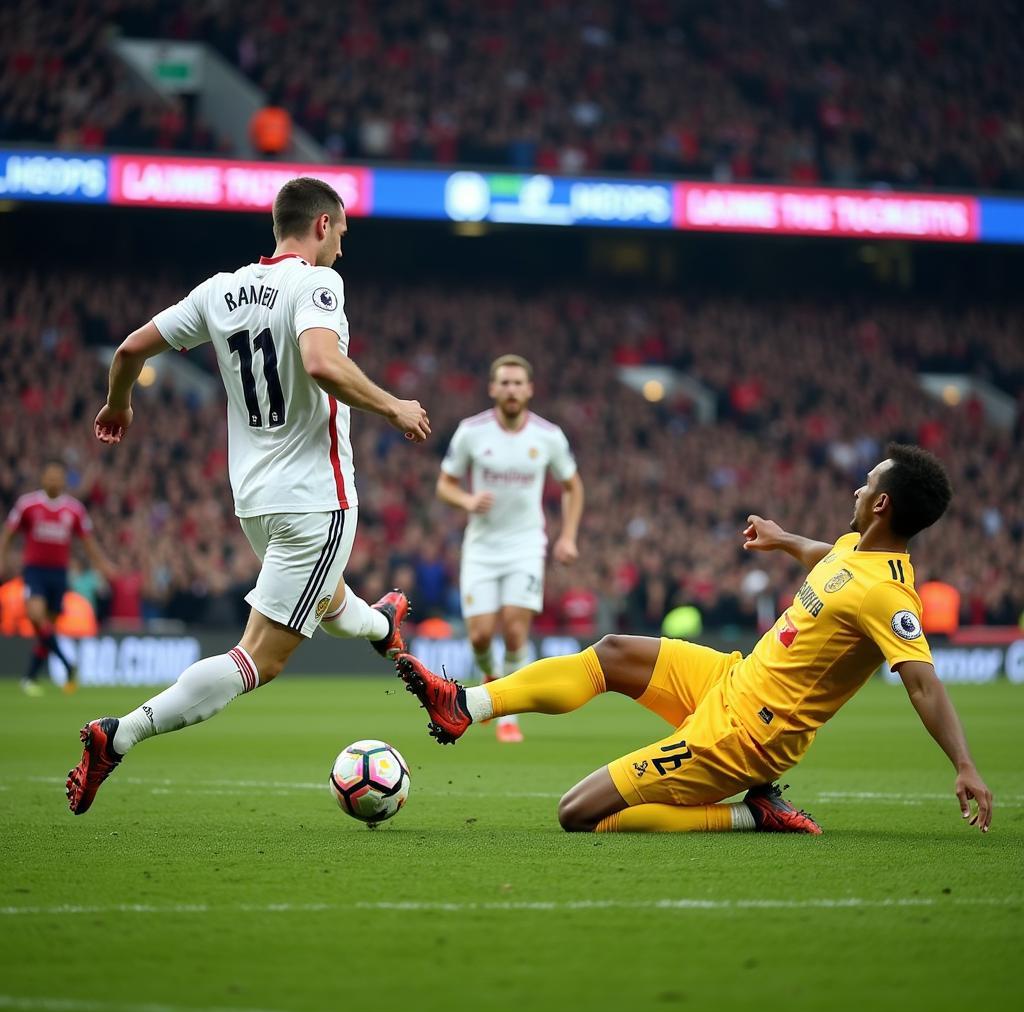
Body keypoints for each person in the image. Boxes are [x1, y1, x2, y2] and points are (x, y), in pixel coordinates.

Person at [66, 176, 431, 815]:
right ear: (322, 225)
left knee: (327, 596)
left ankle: (383, 623)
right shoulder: (317, 283)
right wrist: (393, 406)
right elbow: (320, 362)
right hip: (316, 499)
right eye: (342, 232)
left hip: (255, 502)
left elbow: (129, 349)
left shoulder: (220, 288)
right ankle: (119, 735)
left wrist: (118, 404)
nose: (342, 247)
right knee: (258, 658)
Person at [398, 445, 994, 834]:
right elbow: (825, 557)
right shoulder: (853, 551)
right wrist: (785, 538)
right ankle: (464, 706)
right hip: (732, 678)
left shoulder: (890, 595)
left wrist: (964, 765)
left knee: (578, 814)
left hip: (750, 732)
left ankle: (749, 815)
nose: (855, 493)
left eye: (865, 487)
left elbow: (922, 683)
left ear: (882, 504)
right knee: (611, 653)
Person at [437, 354, 584, 743]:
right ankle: (489, 674)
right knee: (482, 636)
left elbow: (573, 486)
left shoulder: (548, 436)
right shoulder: (472, 432)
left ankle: (507, 713)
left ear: (530, 389)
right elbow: (444, 484)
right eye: (504, 382)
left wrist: (567, 536)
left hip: (526, 544)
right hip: (482, 547)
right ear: (492, 388)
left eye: (518, 383)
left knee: (516, 632)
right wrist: (467, 502)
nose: (512, 389)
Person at [0, 459, 113, 696]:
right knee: (35, 616)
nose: (53, 480)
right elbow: (8, 534)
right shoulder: (27, 505)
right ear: (43, 478)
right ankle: (67, 664)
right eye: (49, 476)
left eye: (57, 476)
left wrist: (103, 564)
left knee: (46, 630)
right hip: (35, 572)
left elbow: (88, 541)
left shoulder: (74, 510)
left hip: (59, 575)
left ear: (64, 480)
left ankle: (30, 677)